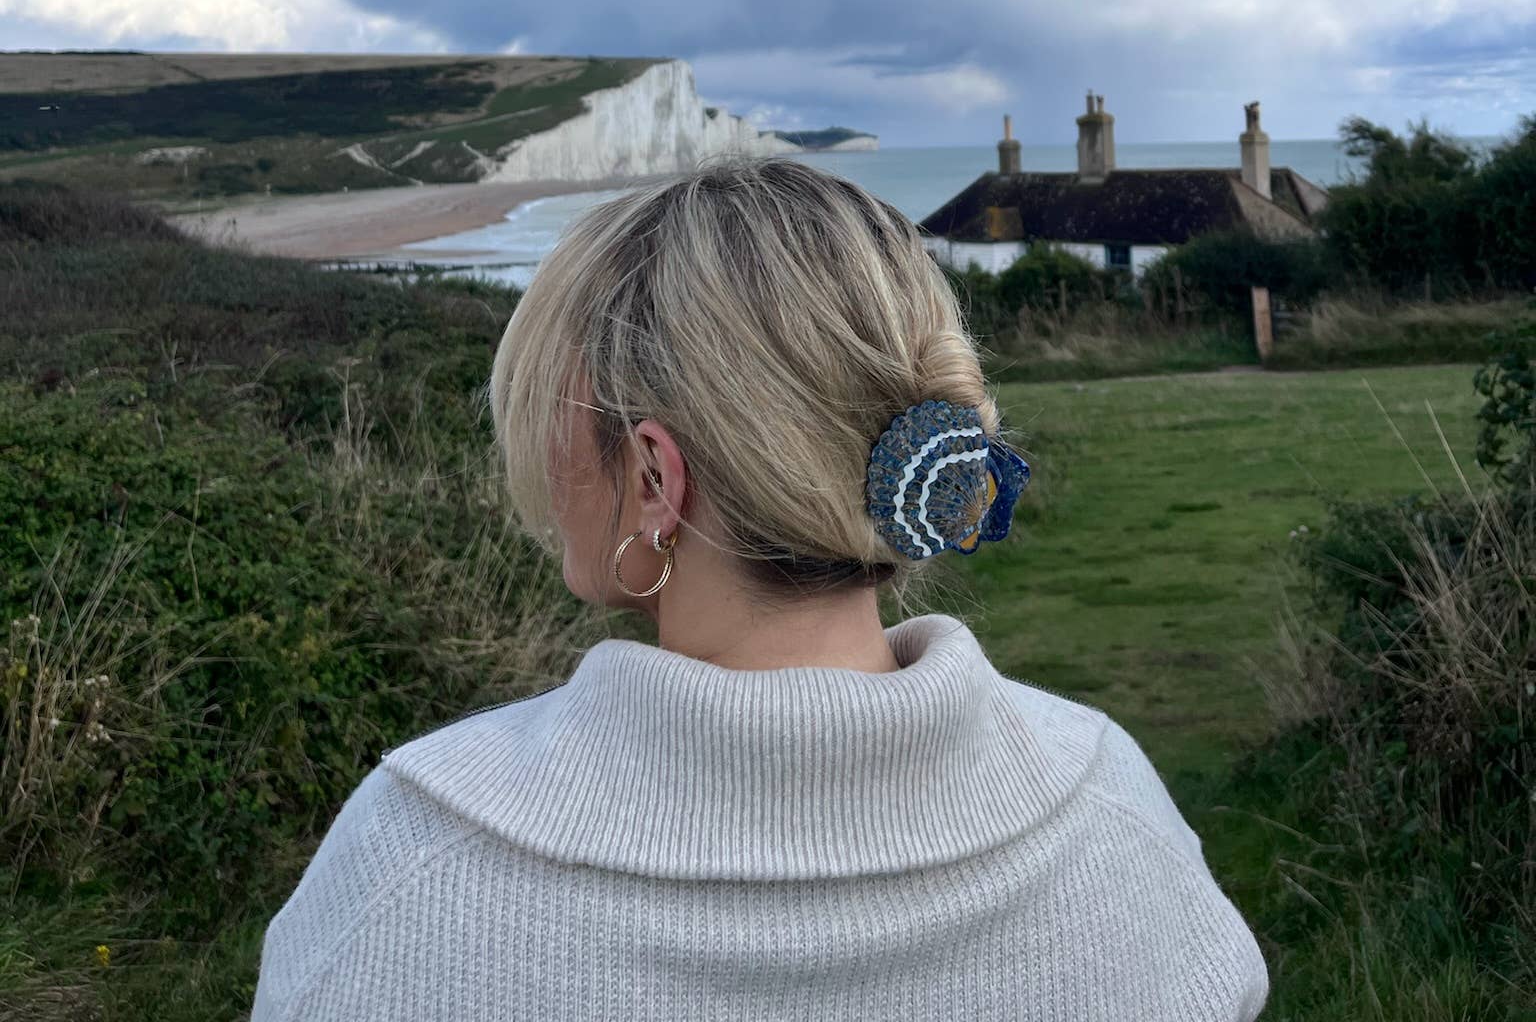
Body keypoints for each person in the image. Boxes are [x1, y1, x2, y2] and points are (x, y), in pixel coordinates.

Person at [250, 156, 1270, 1020]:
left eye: (555, 405)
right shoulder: (1114, 812)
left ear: (654, 476)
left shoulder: (416, 866)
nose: (537, 449)